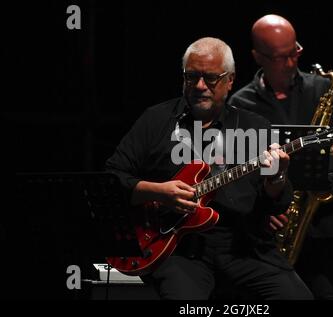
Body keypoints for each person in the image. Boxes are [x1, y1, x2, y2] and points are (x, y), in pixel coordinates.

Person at [105, 37, 313, 300]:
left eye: (211, 78)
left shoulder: (254, 126)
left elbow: (274, 207)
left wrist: (278, 176)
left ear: (230, 80)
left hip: (243, 248)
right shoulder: (156, 120)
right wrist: (157, 191)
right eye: (192, 77)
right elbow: (112, 179)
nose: (200, 86)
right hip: (179, 250)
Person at [229, 15, 333, 300]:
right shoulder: (239, 105)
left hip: (324, 226)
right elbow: (234, 173)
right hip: (270, 231)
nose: (292, 62)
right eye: (282, 57)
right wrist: (261, 209)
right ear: (258, 57)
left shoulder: (322, 88)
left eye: (295, 52)